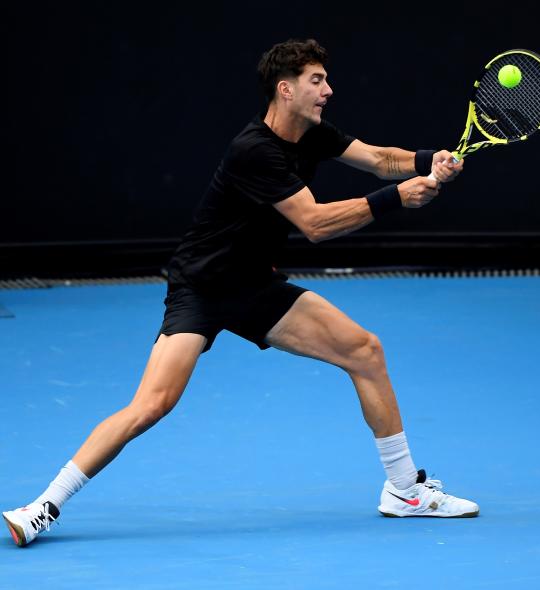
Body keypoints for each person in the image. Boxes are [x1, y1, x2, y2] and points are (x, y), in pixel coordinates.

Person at [3, 38, 478, 548]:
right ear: (285, 88)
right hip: (201, 287)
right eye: (317, 81)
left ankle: (405, 490)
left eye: (326, 79)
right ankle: (42, 506)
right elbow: (315, 224)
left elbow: (382, 159)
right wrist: (396, 200)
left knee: (365, 351)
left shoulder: (314, 133)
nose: (328, 90)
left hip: (256, 287)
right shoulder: (253, 150)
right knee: (151, 404)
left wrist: (431, 160)